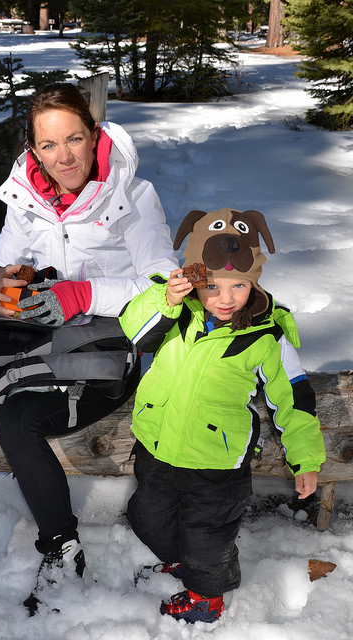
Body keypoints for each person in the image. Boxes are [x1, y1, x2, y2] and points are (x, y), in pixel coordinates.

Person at [0, 82, 178, 612]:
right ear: (33, 150)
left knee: (18, 422)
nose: (63, 156)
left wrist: (85, 292)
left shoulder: (133, 195)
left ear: (93, 134)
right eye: (49, 145)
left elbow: (164, 285)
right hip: (30, 348)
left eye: (73, 139)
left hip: (100, 356)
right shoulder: (26, 197)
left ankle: (62, 546)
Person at [119, 207, 326, 623]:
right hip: (157, 446)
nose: (225, 298)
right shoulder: (174, 311)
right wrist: (166, 297)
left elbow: (293, 397)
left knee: (206, 537)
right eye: (212, 285)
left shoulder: (267, 333)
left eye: (239, 285)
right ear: (195, 278)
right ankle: (187, 565)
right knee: (147, 518)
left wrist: (306, 458)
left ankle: (206, 597)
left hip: (216, 460)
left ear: (255, 282)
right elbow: (133, 330)